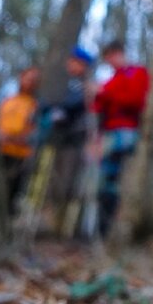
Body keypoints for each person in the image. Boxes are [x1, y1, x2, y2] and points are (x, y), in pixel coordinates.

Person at [90, 40, 150, 237]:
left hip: (126, 131)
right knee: (104, 178)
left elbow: (135, 101)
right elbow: (98, 107)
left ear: (120, 53)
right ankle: (100, 225)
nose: (110, 62)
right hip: (107, 132)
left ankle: (109, 225)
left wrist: (105, 94)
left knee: (112, 176)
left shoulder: (137, 73)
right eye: (107, 60)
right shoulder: (112, 79)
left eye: (111, 57)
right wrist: (95, 95)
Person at [39, 47, 95, 233]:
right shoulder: (62, 83)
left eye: (76, 62)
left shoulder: (86, 85)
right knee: (51, 182)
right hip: (56, 139)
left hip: (75, 141)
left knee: (70, 183)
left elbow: (76, 104)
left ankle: (66, 226)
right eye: (70, 61)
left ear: (84, 65)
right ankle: (51, 221)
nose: (71, 65)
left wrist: (61, 109)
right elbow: (46, 102)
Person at [0, 67, 40, 213]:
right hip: (1, 152)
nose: (29, 82)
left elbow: (34, 133)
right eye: (27, 78)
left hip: (21, 156)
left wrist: (15, 138)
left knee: (14, 192)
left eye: (33, 80)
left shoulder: (35, 106)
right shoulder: (7, 101)